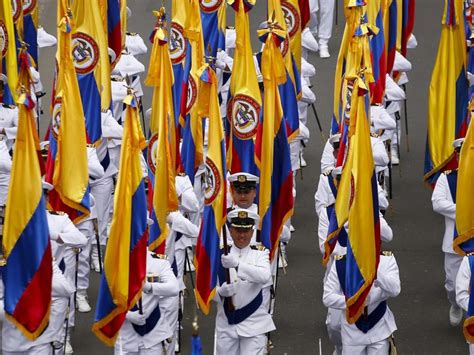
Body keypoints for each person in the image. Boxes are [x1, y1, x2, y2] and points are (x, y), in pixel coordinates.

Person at [214, 208, 275, 354]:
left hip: (254, 324)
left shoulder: (260, 253)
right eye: (238, 230)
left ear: (252, 232)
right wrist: (220, 292)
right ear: (230, 230)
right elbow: (205, 289)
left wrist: (237, 265)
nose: (242, 235)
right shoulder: (220, 253)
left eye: (246, 231)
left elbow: (264, 276)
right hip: (226, 325)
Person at [323, 251, 401, 354]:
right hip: (352, 333)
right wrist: (355, 302)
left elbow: (395, 290)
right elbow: (328, 297)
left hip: (379, 329)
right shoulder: (341, 263)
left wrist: (375, 273)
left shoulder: (386, 259)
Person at [115, 250, 179, 355]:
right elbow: (107, 299)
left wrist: (150, 287)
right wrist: (128, 315)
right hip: (126, 333)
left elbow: (174, 288)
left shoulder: (158, 261)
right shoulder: (115, 262)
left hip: (152, 331)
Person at [432, 138, 465, 326]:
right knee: (452, 285)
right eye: (460, 154)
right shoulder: (447, 178)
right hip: (454, 242)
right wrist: (463, 211)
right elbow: (437, 203)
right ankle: (455, 304)